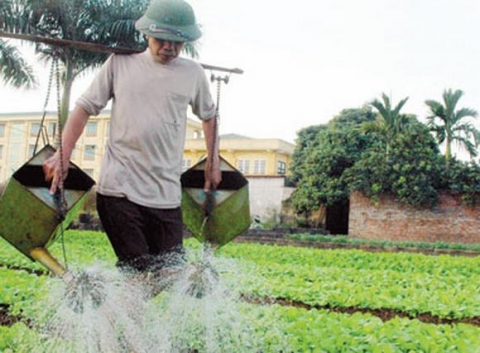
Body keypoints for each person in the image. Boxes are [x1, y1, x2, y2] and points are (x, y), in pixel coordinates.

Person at [43, 0, 221, 277]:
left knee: (171, 276)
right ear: (147, 34)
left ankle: (106, 307)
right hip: (119, 191)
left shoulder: (192, 73)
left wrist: (213, 162)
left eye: (178, 42)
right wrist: (62, 155)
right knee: (137, 273)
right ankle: (118, 313)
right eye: (162, 39)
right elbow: (84, 107)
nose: (169, 47)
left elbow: (209, 116)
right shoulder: (120, 63)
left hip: (166, 196)